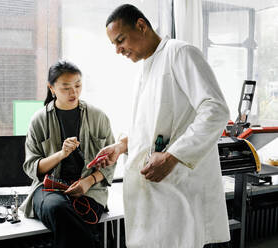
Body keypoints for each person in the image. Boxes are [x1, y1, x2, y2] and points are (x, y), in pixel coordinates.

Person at [97, 4, 231, 248]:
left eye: (121, 40)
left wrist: (172, 156)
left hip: (180, 188)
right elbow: (149, 126)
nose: (118, 50)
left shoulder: (180, 53)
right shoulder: (144, 70)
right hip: (156, 193)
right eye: (114, 45)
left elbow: (216, 110)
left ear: (141, 25)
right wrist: (121, 146)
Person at [20, 60, 116, 248]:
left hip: (91, 189)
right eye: (66, 88)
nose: (74, 92)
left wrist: (88, 181)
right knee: (58, 208)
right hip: (49, 188)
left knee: (73, 218)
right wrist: (61, 154)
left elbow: (111, 161)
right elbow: (32, 168)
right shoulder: (38, 120)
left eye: (78, 85)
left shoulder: (98, 117)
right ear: (52, 88)